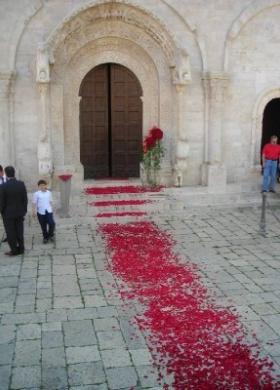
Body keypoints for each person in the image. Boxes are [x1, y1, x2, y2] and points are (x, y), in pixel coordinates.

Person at [0, 166, 28, 256]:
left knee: (10, 232)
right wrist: (24, 210)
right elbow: (25, 199)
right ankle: (21, 248)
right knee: (20, 231)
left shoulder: (3, 186)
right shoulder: (21, 184)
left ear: (6, 173)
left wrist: (2, 212)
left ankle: (14, 250)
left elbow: (2, 202)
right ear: (14, 172)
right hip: (20, 212)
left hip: (8, 214)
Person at [32, 179, 55, 244]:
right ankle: (45, 237)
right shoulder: (36, 194)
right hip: (40, 212)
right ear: (38, 186)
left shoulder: (49, 193)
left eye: (43, 185)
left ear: (46, 185)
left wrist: (52, 209)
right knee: (43, 225)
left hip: (49, 211)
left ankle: (51, 234)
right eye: (40, 185)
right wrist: (33, 211)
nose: (42, 187)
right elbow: (34, 203)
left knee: (52, 223)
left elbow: (50, 201)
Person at [0, 165, 8, 242]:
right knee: (5, 221)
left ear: (2, 171)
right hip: (2, 205)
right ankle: (9, 235)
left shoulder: (8, 177)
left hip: (10, 203)